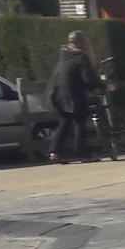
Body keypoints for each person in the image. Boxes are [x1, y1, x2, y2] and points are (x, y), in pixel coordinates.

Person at [48, 31, 97, 163]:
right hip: (73, 95)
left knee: (65, 121)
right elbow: (88, 79)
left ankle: (54, 151)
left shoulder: (64, 56)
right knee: (80, 122)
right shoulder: (81, 57)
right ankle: (83, 154)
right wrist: (103, 85)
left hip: (57, 94)